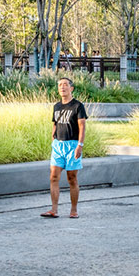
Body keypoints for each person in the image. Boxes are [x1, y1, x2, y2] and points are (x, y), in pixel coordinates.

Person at [42, 77, 88, 219]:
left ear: (71, 88)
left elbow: (82, 126)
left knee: (71, 178)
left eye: (65, 84)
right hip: (58, 145)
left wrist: (80, 145)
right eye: (60, 85)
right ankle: (53, 209)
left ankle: (73, 210)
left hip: (72, 145)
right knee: (53, 176)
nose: (62, 87)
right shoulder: (56, 106)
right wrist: (53, 140)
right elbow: (55, 124)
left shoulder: (77, 106)